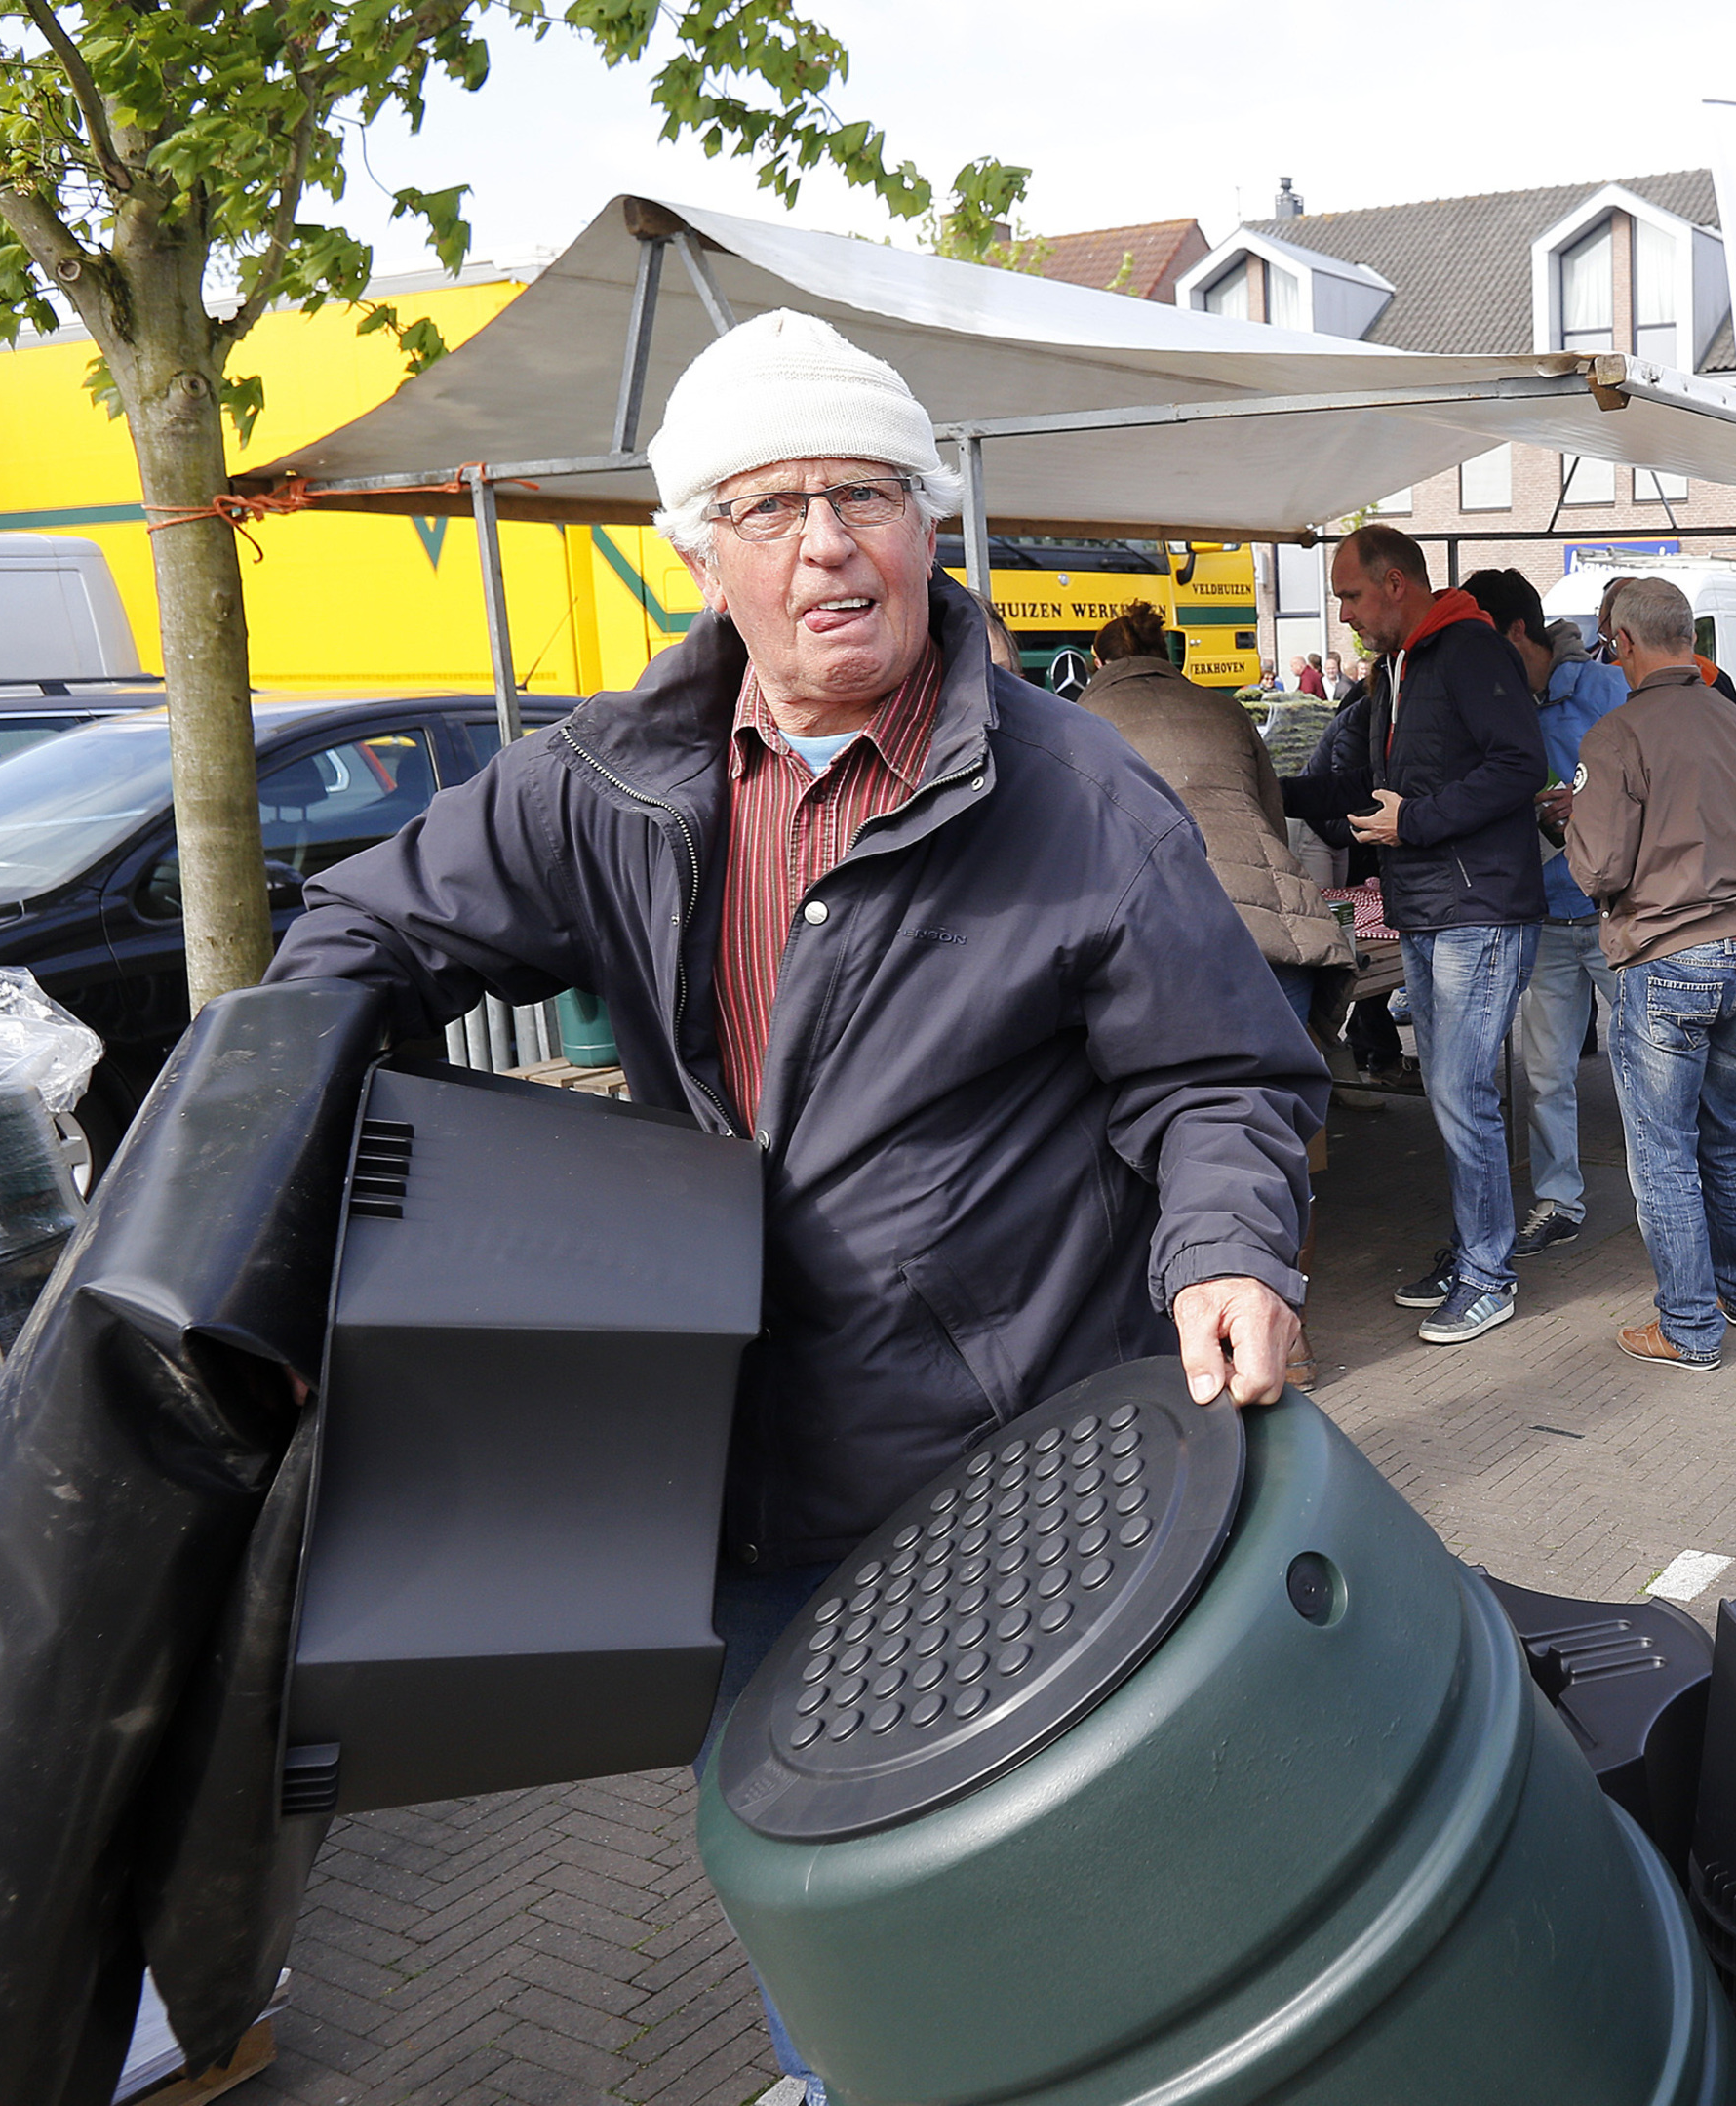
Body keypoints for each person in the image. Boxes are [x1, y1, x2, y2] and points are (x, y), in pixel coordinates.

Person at [262, 310, 1326, 2106]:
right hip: (732, 1465)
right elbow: (365, 932)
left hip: (996, 1473)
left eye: (863, 492)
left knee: (1025, 1881)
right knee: (806, 1886)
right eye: (769, 505)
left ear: (926, 525)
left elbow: (1217, 1076)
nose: (825, 541)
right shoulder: (605, 779)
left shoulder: (1079, 803)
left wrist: (1228, 1240)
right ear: (702, 552)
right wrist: (288, 1171)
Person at [1282, 523, 1549, 1346]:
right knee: (1449, 1093)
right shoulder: (1394, 672)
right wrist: (1262, 785)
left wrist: (1419, 820)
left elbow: (1519, 765)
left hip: (1478, 910)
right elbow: (1364, 787)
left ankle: (1488, 1273)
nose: (1345, 614)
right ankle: (1476, 1248)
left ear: (1396, 583)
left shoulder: (1467, 651)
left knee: (1463, 1094)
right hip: (1431, 909)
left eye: (1350, 596)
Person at [1562, 577, 1736, 1371]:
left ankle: (1688, 1325)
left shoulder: (1617, 735)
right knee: (1727, 1136)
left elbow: (1599, 869)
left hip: (1668, 952)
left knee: (1662, 1152)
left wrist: (1574, 821)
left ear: (1621, 642)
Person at [1077, 602, 1356, 1030]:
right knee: (1288, 1079)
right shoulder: (1225, 710)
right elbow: (1272, 817)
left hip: (1164, 929)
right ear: (1166, 655)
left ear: (1099, 663)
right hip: (1274, 927)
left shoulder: (1082, 722)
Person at [1461, 566, 1627, 1259]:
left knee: (1642, 1062)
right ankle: (1559, 1199)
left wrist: (1584, 808)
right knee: (1549, 1072)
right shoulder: (1499, 697)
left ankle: (1668, 1197)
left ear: (1520, 633)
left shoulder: (1608, 688)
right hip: (1544, 913)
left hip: (1616, 911)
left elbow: (1645, 785)